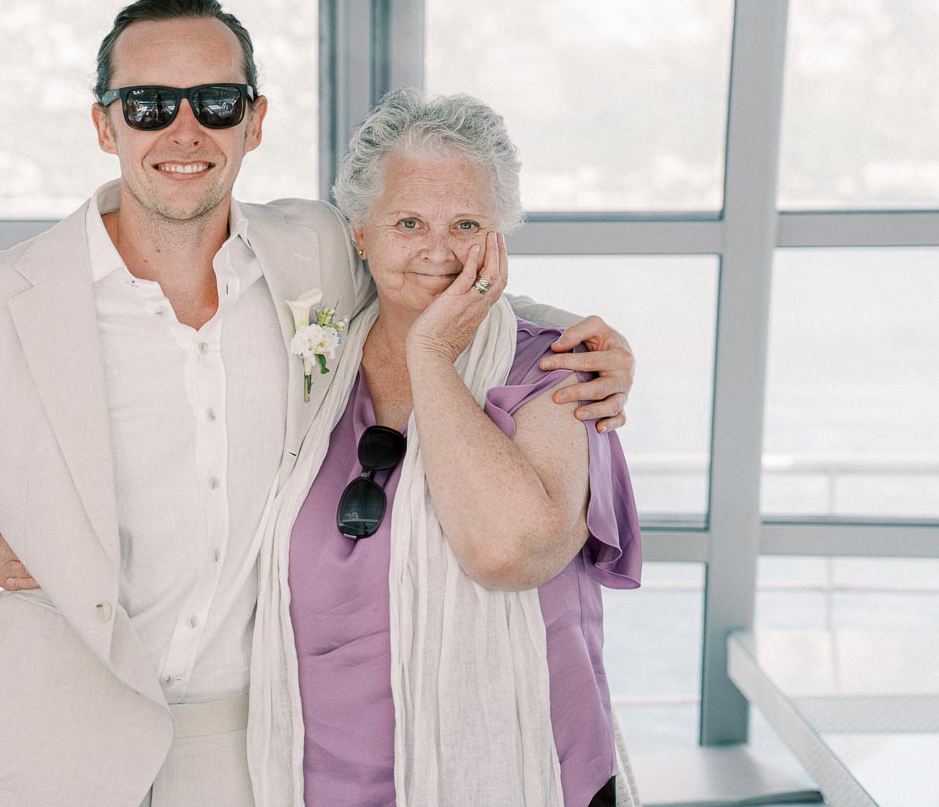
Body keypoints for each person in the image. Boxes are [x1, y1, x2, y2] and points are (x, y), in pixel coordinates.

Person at [0, 0, 634, 807]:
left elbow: (431, 279)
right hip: (38, 739)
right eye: (147, 105)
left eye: (215, 103)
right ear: (105, 124)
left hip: (248, 747)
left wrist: (588, 344)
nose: (184, 131)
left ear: (254, 120)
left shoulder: (311, 251)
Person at [243, 90, 642, 807]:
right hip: (320, 782)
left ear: (499, 236)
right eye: (408, 222)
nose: (437, 250)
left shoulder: (554, 373)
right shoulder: (313, 364)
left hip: (520, 774)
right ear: (360, 233)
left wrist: (431, 355)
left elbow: (508, 552)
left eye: (466, 223)